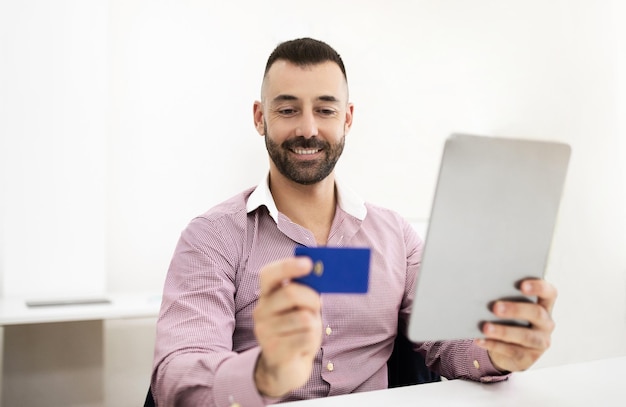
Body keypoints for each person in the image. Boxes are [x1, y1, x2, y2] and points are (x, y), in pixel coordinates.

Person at [150, 38, 557, 406]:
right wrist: (265, 374)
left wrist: (498, 350)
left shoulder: (395, 236)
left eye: (325, 110)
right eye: (288, 109)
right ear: (260, 118)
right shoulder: (212, 237)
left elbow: (444, 340)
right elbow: (178, 372)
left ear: (347, 118)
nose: (308, 129)